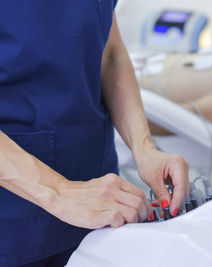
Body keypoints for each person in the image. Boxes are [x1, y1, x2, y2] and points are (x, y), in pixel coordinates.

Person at [0, 1, 189, 266]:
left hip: (101, 199)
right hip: (15, 218)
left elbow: (110, 52)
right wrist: (61, 192)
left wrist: (144, 149)